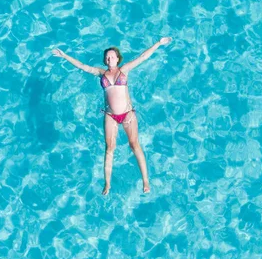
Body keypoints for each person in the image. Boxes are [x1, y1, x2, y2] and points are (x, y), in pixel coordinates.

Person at [52, 37, 172, 195]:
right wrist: (64, 56)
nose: (109, 59)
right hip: (110, 116)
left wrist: (158, 43)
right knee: (109, 149)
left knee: (134, 145)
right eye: (107, 57)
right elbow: (83, 66)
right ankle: (107, 184)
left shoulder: (125, 70)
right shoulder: (101, 73)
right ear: (105, 60)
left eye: (112, 56)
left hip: (128, 114)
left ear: (117, 58)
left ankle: (145, 180)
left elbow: (143, 57)